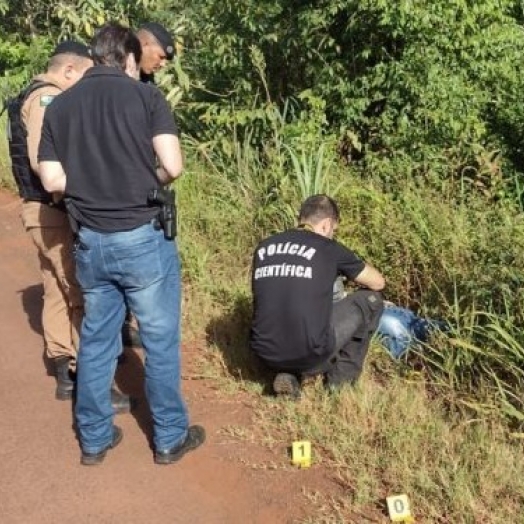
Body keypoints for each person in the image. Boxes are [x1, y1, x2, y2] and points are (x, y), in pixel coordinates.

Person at [38, 23, 205, 466]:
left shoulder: (61, 106)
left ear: (94, 57)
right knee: (160, 337)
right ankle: (169, 437)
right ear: (130, 59)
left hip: (90, 239)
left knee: (96, 337)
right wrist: (136, 181)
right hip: (142, 237)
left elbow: (52, 180)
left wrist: (93, 186)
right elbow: (173, 166)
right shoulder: (148, 97)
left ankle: (93, 439)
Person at [5, 40, 130, 413]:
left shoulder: (29, 93)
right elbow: (46, 168)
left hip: (41, 214)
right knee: (83, 295)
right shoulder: (48, 100)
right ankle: (96, 386)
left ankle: (65, 369)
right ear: (70, 71)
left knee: (56, 291)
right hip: (53, 211)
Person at [250, 194, 386, 397]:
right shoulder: (328, 248)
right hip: (310, 352)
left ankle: (288, 373)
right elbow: (377, 282)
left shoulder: (265, 246)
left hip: (263, 353)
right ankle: (340, 385)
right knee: (370, 300)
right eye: (334, 230)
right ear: (326, 224)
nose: (333, 235)